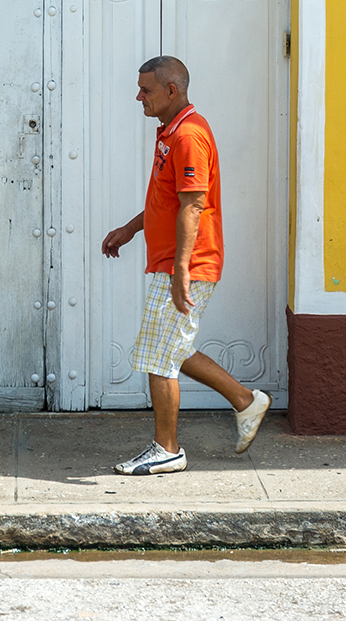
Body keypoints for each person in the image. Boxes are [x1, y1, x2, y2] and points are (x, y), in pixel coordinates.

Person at [101, 55, 270, 475]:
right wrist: (130, 229)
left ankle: (168, 449)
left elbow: (193, 206)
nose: (138, 96)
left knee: (159, 355)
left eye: (146, 90)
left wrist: (180, 271)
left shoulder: (188, 136)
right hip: (174, 262)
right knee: (172, 346)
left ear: (171, 91)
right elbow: (167, 200)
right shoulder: (170, 132)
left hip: (186, 264)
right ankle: (246, 402)